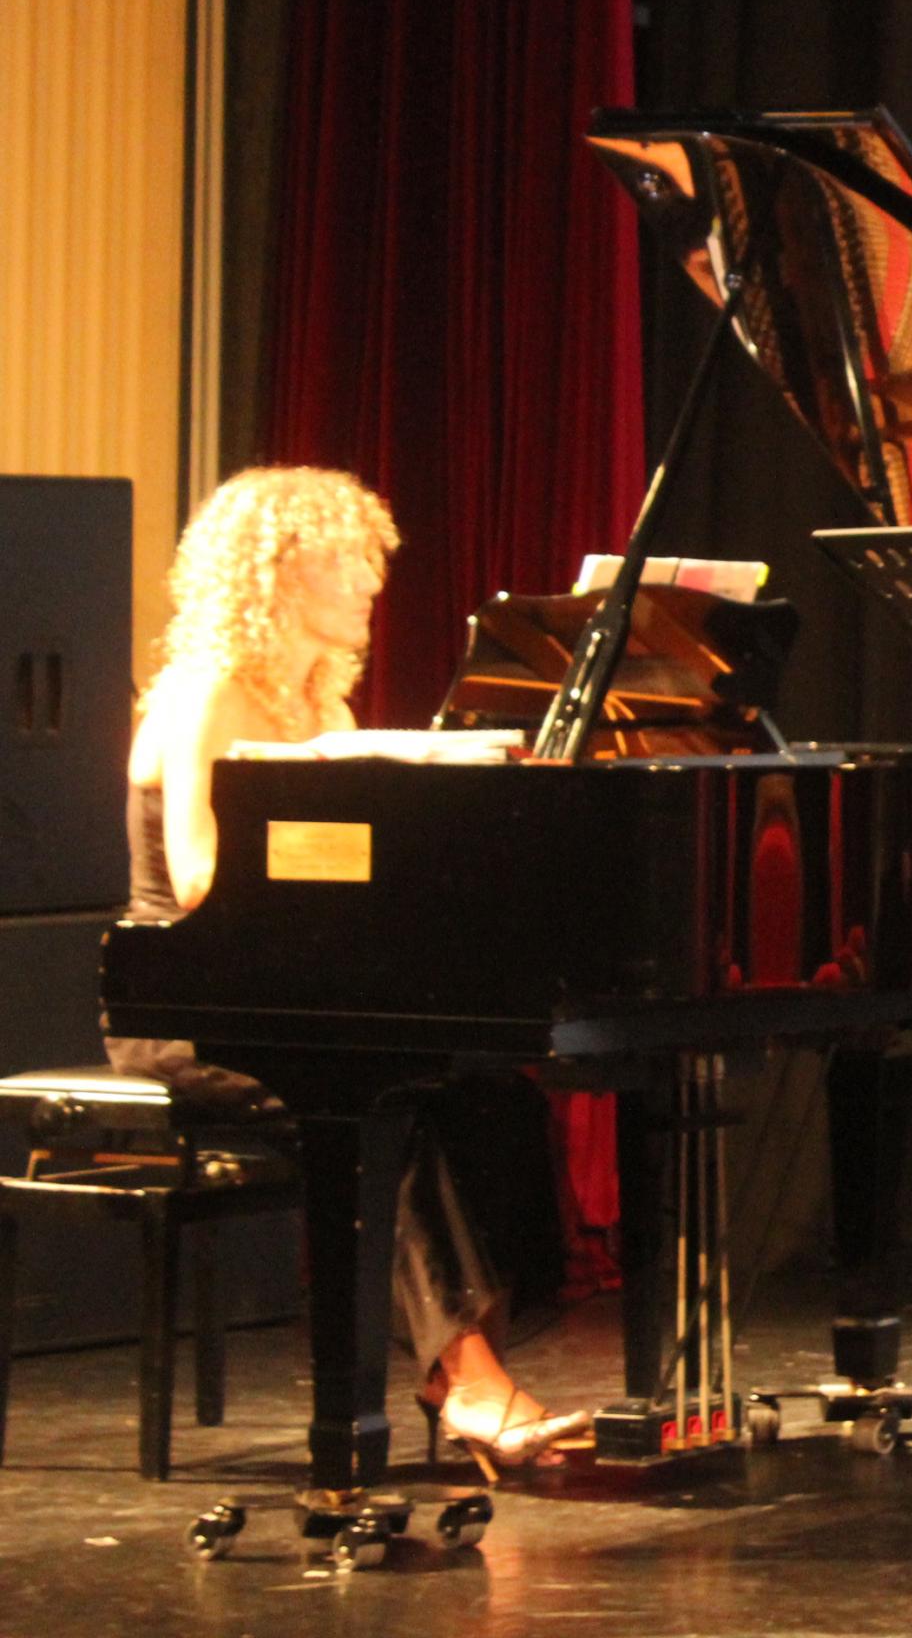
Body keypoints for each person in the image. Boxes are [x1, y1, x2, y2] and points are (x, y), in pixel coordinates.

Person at [114, 465, 589, 1473]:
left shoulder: (316, 703)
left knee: (493, 1092)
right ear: (277, 569)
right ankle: (466, 1381)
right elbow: (198, 881)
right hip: (187, 1008)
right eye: (347, 557)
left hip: (287, 993)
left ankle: (473, 1361)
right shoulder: (205, 695)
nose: (373, 578)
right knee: (377, 1104)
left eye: (372, 556)